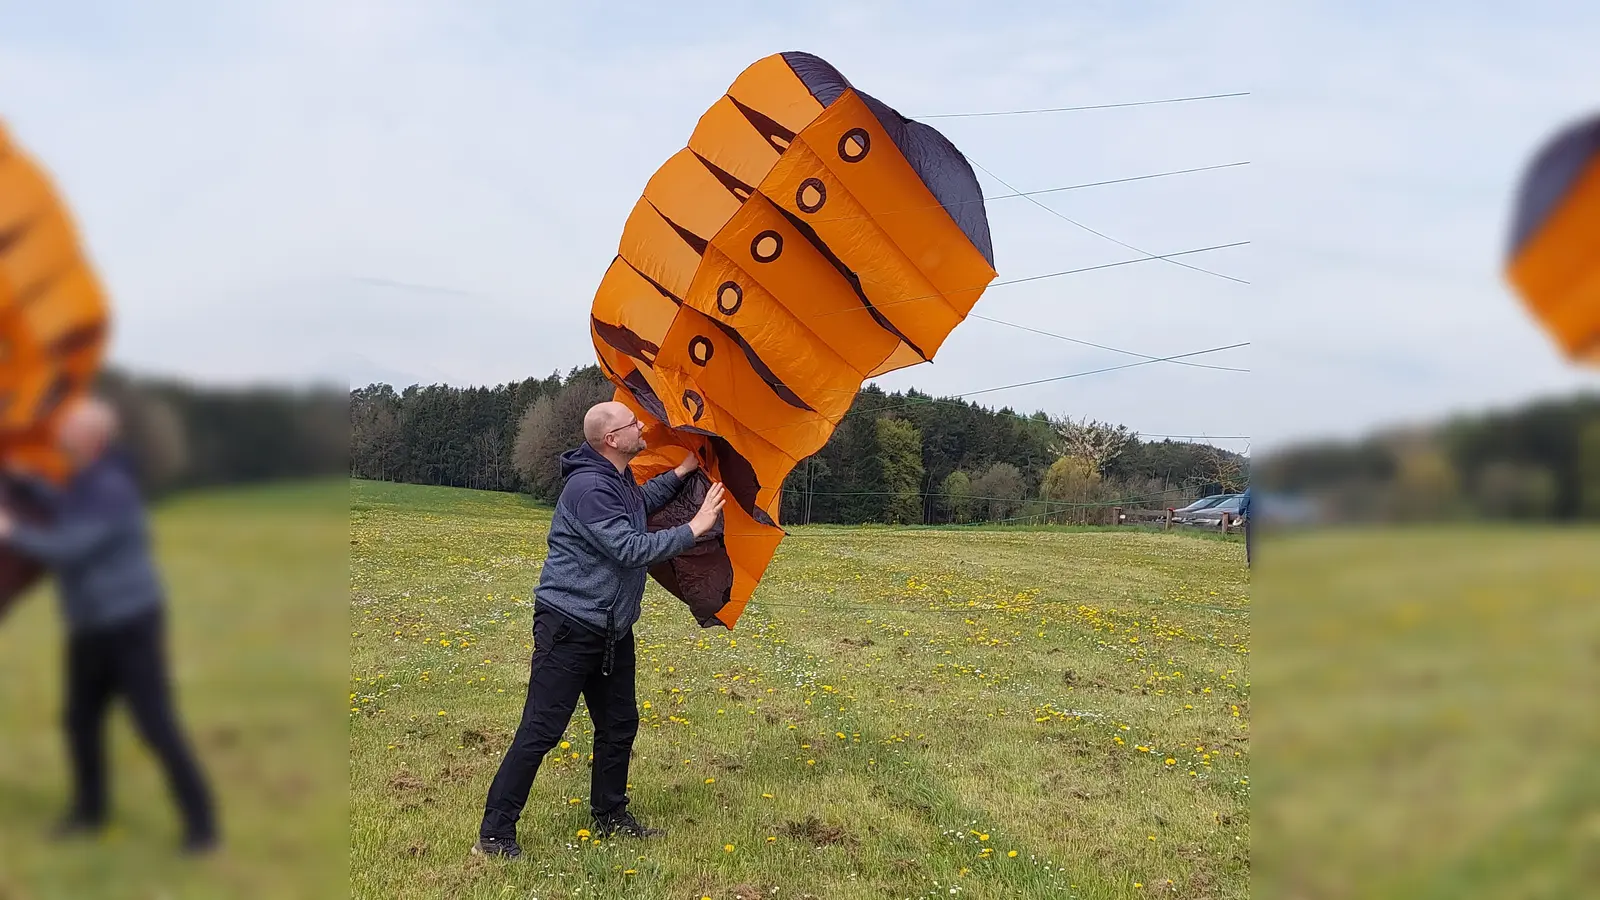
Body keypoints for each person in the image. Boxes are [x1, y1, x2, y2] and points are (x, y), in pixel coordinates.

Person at [474, 400, 725, 859]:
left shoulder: (615, 477)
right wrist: (697, 526)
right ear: (612, 439)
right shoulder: (589, 487)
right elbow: (629, 548)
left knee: (619, 723)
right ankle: (494, 835)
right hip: (569, 627)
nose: (641, 426)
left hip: (611, 629)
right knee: (542, 730)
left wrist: (685, 468)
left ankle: (610, 816)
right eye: (633, 423)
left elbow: (639, 505)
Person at [0, 395, 218, 854]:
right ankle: (90, 814)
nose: (59, 434)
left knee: (153, 724)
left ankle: (202, 828)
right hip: (90, 627)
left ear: (92, 438)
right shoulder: (85, 479)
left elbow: (68, 547)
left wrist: (11, 530)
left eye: (68, 429)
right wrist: (21, 483)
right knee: (80, 721)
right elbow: (61, 505)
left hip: (128, 625)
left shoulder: (111, 486)